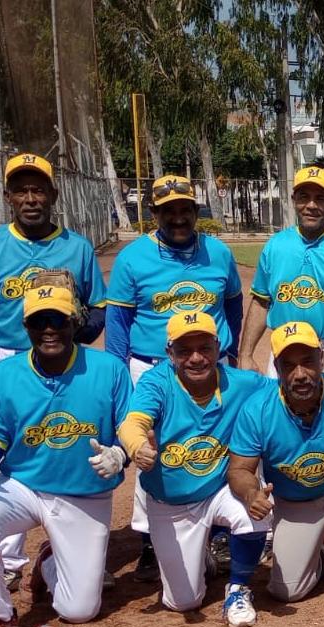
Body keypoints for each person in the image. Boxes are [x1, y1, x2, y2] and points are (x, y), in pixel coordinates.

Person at [0, 286, 130, 627]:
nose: (49, 329)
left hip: (84, 493)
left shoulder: (108, 368)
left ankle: (49, 561)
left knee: (79, 611)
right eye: (39, 321)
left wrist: (121, 453)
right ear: (26, 327)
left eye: (58, 320)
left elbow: (131, 427)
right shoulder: (4, 376)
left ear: (75, 323)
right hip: (24, 487)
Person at [0, 153, 108, 591]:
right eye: (20, 189)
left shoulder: (76, 247)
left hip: (66, 360)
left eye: (38, 188)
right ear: (8, 197)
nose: (30, 197)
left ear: (52, 195)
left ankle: (67, 545)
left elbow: (97, 310)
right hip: (9, 361)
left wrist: (74, 339)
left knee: (69, 445)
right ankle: (7, 558)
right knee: (6, 462)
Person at [105, 174, 245, 583]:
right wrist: (121, 374)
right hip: (151, 364)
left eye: (186, 209)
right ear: (155, 214)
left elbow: (233, 306)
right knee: (152, 448)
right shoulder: (134, 258)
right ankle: (151, 538)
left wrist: (231, 353)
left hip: (209, 362)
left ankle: (218, 532)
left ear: (195, 210)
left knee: (218, 443)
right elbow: (118, 320)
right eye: (169, 211)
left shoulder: (217, 253)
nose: (179, 217)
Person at [116, 312, 273, 627]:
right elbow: (133, 422)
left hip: (218, 491)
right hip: (169, 504)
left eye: (205, 348)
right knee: (183, 602)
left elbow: (290, 390)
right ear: (169, 353)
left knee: (255, 508)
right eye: (185, 351)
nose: (197, 358)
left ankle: (239, 588)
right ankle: (202, 555)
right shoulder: (157, 382)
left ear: (218, 347)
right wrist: (137, 447)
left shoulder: (241, 382)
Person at [225, 322, 324, 616]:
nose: (300, 374)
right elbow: (239, 469)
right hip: (296, 500)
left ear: (322, 359)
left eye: (308, 362)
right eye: (289, 366)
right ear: (277, 368)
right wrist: (251, 494)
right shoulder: (258, 407)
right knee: (285, 591)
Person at [239, 166, 324, 392]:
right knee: (282, 423)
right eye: (304, 197)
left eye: (320, 198)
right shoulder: (276, 245)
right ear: (294, 200)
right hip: (284, 351)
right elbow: (261, 301)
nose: (312, 205)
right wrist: (245, 355)